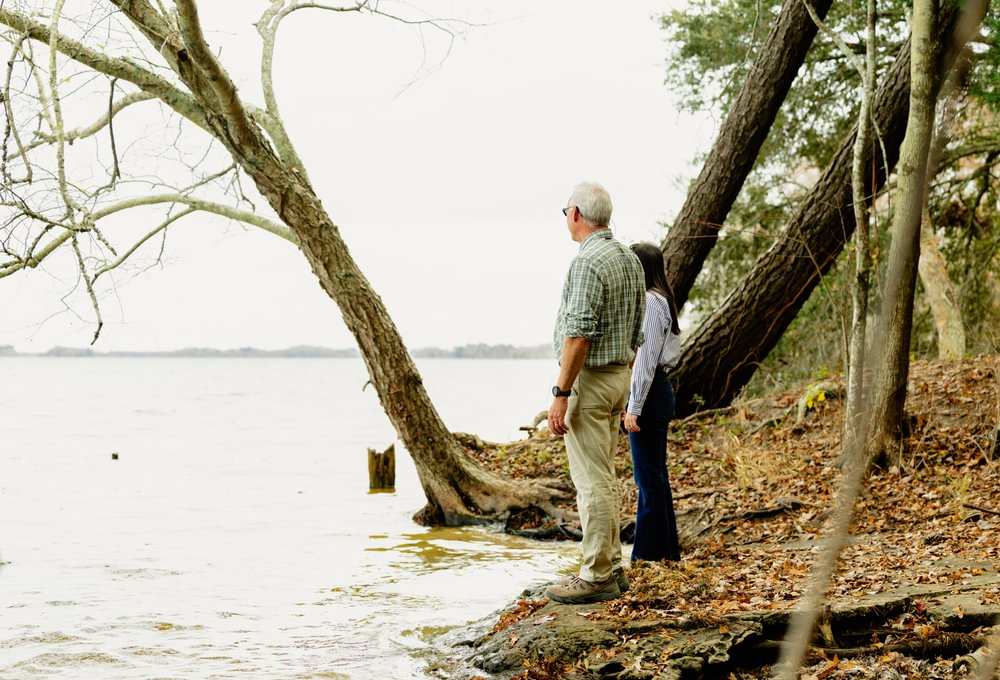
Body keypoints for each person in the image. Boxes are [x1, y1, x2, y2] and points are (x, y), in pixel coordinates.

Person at [544, 182, 645, 605]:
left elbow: (579, 334)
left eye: (565, 212)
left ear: (576, 215)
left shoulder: (587, 262)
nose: (566, 218)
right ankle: (611, 567)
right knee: (602, 475)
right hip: (618, 376)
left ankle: (597, 575)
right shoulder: (628, 258)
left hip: (591, 380)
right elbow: (638, 327)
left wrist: (561, 391)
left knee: (591, 481)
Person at [622, 242, 682, 563]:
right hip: (657, 390)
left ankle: (647, 557)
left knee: (648, 479)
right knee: (655, 476)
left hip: (651, 392)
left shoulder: (650, 301)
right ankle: (666, 553)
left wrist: (634, 406)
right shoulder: (662, 299)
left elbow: (645, 359)